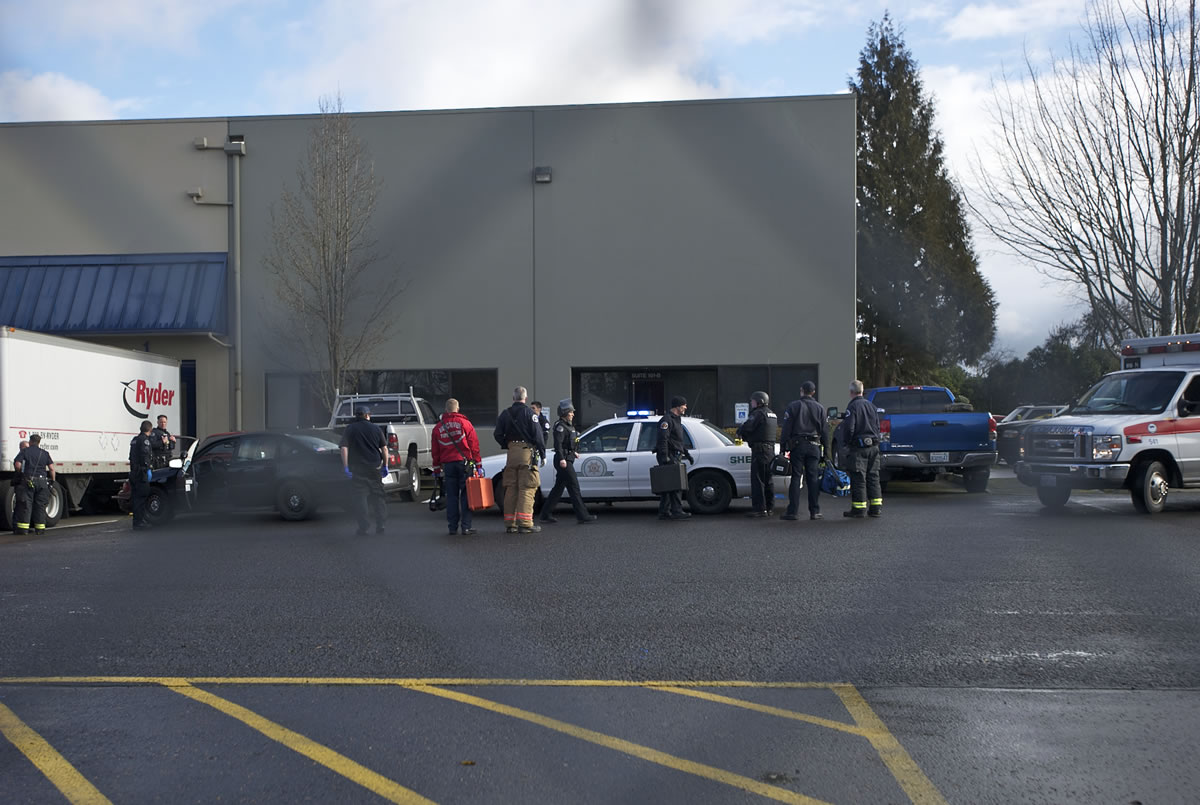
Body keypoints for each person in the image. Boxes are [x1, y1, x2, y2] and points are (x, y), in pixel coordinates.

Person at [493, 386, 546, 534]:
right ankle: (525, 523)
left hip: (511, 454)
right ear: (526, 398)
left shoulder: (505, 413)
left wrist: (507, 444)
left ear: (513, 398)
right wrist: (542, 454)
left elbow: (497, 434)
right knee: (527, 488)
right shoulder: (530, 413)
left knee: (511, 488)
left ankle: (510, 523)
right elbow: (538, 436)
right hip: (526, 454)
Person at [540, 399, 598, 526]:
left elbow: (571, 442)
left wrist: (574, 452)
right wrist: (562, 459)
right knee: (574, 487)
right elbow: (558, 445)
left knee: (558, 489)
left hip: (567, 458)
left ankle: (545, 514)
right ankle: (582, 516)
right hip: (564, 460)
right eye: (571, 412)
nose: (573, 414)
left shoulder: (569, 426)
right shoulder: (560, 426)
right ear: (565, 412)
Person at [431, 399, 482, 536]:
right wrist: (478, 464)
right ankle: (466, 527)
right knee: (466, 496)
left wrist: (436, 469)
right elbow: (474, 446)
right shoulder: (465, 424)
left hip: (448, 465)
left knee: (452, 497)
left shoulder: (438, 428)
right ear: (457, 409)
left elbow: (435, 451)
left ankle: (452, 527)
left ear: (446, 410)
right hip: (464, 464)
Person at [835, 379, 882, 518]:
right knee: (873, 477)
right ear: (862, 391)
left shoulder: (853, 407)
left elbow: (849, 428)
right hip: (873, 446)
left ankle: (859, 508)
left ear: (851, 392)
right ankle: (876, 508)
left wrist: (846, 444)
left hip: (859, 447)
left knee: (858, 478)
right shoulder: (872, 406)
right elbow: (877, 427)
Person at [779, 381, 826, 521]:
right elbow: (825, 431)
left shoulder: (793, 406)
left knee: (796, 477)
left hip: (798, 446)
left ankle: (792, 511)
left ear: (801, 391)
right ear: (813, 392)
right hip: (814, 446)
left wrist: (783, 447)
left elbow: (786, 428)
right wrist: (826, 451)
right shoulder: (820, 408)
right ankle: (815, 511)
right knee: (812, 478)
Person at [339, 406, 388, 536]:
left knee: (360, 497)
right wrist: (385, 465)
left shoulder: (350, 429)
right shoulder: (376, 429)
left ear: (356, 416)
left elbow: (344, 448)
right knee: (378, 496)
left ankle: (364, 526)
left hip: (357, 468)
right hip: (374, 467)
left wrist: (346, 467)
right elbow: (384, 449)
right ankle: (380, 524)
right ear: (367, 415)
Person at [736, 390, 778, 517]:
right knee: (768, 480)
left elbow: (747, 427)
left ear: (760, 402)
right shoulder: (772, 414)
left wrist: (741, 431)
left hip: (759, 450)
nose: (751, 403)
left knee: (758, 480)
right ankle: (769, 507)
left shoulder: (758, 413)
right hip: (770, 450)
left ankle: (759, 509)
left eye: (753, 401)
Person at [656, 396, 694, 520]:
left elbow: (678, 441)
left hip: (675, 454)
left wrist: (687, 454)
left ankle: (664, 511)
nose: (685, 407)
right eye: (684, 405)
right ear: (677, 406)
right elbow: (663, 439)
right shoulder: (667, 420)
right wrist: (665, 456)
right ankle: (677, 511)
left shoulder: (677, 420)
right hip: (669, 455)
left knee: (668, 485)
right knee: (675, 484)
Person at [13, 436, 55, 535]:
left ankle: (23, 529)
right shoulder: (45, 453)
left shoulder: (25, 451)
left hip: (28, 481)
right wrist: (52, 481)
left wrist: (21, 473)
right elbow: (52, 469)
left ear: (30, 441)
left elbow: (17, 464)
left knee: (26, 505)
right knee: (40, 506)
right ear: (39, 442)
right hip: (42, 482)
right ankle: (40, 529)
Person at [127, 421, 154, 530]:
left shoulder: (134, 440)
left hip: (133, 472)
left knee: (136, 498)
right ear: (150, 430)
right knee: (141, 498)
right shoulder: (144, 441)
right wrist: (148, 469)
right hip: (141, 473)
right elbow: (145, 456)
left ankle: (137, 521)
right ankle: (139, 522)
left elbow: (131, 457)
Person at [10, 439, 28, 534]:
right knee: (21, 505)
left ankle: (20, 526)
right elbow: (17, 465)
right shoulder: (21, 455)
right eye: (26, 447)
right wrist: (23, 472)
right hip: (21, 483)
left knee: (22, 505)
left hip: (21, 483)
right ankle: (17, 526)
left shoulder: (23, 455)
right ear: (22, 447)